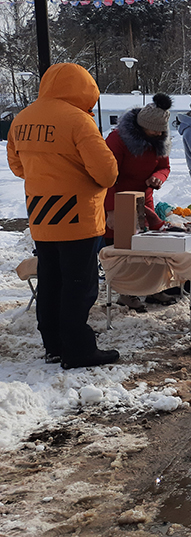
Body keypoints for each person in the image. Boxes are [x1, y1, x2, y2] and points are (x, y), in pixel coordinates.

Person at [6, 62, 120, 369]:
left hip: (41, 216)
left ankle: (53, 346)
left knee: (51, 282)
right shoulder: (79, 121)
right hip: (78, 218)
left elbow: (17, 166)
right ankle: (78, 349)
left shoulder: (22, 119)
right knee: (79, 286)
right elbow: (107, 173)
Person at [104, 93, 173, 311]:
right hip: (118, 197)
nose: (159, 134)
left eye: (162, 131)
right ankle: (126, 292)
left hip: (144, 198)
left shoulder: (159, 140)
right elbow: (106, 176)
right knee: (123, 248)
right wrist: (111, 210)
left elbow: (164, 167)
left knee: (149, 245)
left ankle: (153, 289)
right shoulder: (117, 140)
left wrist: (158, 178)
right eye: (155, 130)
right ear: (142, 127)